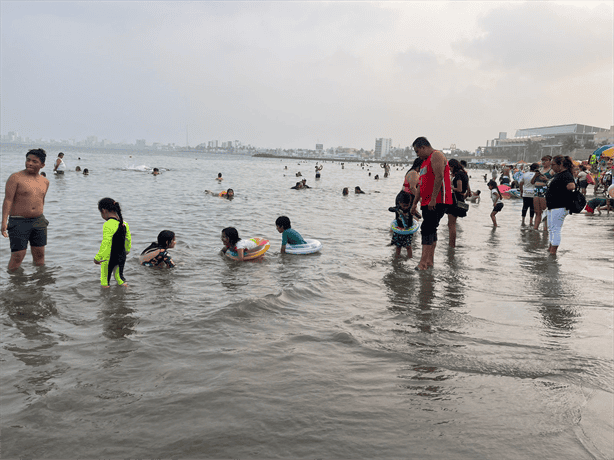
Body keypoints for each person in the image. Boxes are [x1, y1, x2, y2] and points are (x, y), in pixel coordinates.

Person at [2, 149, 50, 271]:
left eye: (34, 161)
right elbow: (8, 200)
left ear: (42, 165)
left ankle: (40, 284)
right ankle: (14, 284)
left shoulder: (45, 181)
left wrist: (41, 218)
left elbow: (41, 200)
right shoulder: (15, 178)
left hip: (38, 221)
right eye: (28, 160)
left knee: (40, 255)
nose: (30, 163)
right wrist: (4, 222)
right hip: (19, 221)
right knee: (18, 255)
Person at [410, 137, 453, 270]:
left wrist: (434, 198)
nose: (417, 154)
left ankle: (423, 262)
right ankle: (429, 261)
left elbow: (439, 176)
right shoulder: (423, 163)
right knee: (431, 229)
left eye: (417, 151)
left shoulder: (436, 155)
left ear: (423, 147)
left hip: (438, 200)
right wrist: (414, 204)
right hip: (426, 201)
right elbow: (420, 185)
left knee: (427, 229)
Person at [94, 198, 131, 287]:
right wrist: (126, 251)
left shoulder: (108, 224)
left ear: (104, 211)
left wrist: (98, 257)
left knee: (105, 280)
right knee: (119, 278)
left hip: (109, 257)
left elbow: (105, 243)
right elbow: (128, 240)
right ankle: (126, 293)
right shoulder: (124, 223)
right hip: (122, 255)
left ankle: (107, 299)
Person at [545, 156, 576, 255]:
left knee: (555, 229)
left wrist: (560, 192)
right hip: (553, 206)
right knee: (551, 228)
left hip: (559, 206)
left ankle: (553, 251)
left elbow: (571, 186)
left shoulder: (566, 175)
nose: (552, 167)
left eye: (553, 165)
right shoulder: (559, 174)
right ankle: (550, 248)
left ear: (561, 164)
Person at [446, 159, 469, 248]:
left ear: (453, 166)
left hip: (455, 201)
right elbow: (466, 188)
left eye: (450, 167)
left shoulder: (459, 175)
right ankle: (452, 245)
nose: (450, 169)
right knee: (452, 224)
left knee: (451, 224)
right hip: (459, 200)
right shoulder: (464, 173)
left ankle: (451, 245)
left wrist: (450, 186)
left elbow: (459, 189)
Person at [388, 191, 414, 258]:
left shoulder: (411, 208)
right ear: (400, 203)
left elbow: (419, 216)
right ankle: (396, 260)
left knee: (408, 246)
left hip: (408, 231)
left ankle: (410, 259)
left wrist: (415, 212)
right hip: (399, 230)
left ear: (409, 203)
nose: (405, 207)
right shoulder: (398, 208)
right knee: (398, 247)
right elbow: (389, 209)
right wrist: (395, 209)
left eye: (407, 205)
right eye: (404, 205)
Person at [531, 155, 553, 231]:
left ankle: (545, 229)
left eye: (545, 161)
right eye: (542, 161)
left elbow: (554, 183)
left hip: (545, 192)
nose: (543, 162)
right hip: (536, 191)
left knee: (545, 211)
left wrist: (546, 179)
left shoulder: (552, 171)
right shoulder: (539, 169)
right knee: (537, 212)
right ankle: (535, 228)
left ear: (550, 161)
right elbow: (532, 182)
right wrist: (535, 176)